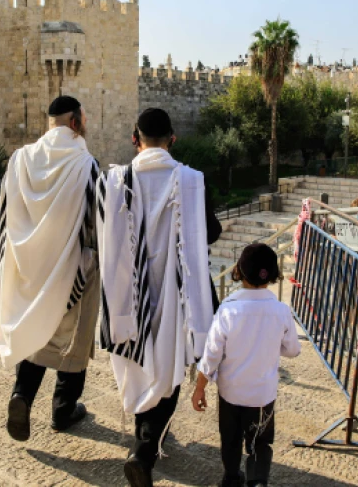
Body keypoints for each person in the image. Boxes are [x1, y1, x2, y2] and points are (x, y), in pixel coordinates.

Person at [97, 108, 214, 486]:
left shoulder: (115, 180)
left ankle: (142, 442)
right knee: (168, 371)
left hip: (127, 294)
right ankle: (143, 451)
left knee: (138, 364)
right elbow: (209, 232)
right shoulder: (192, 181)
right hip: (176, 292)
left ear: (135, 138)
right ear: (173, 138)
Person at [0, 95, 101, 442]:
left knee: (37, 327)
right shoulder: (86, 165)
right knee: (74, 337)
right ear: (75, 122)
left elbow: (5, 209)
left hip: (27, 265)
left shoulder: (20, 158)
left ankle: (21, 395)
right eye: (84, 117)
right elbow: (94, 223)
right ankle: (63, 408)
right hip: (71, 267)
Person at [191, 243, 301, 487]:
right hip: (262, 394)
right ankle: (257, 480)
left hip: (230, 392)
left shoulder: (228, 310)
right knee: (261, 441)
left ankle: (231, 477)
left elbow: (211, 355)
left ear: (238, 271)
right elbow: (293, 350)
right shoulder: (281, 311)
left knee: (230, 439)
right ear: (272, 275)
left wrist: (200, 388)